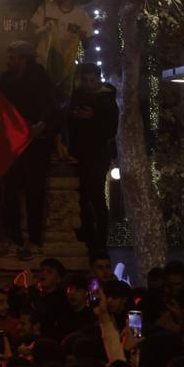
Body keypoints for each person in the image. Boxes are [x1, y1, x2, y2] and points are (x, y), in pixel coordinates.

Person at [0, 40, 57, 259]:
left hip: (36, 142)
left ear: (23, 59)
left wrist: (42, 123)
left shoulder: (40, 77)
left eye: (12, 57)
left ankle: (34, 240)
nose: (8, 61)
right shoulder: (5, 80)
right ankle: (14, 239)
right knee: (10, 191)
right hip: (14, 143)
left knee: (35, 192)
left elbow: (51, 104)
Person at [66, 63, 118, 257]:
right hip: (79, 154)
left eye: (92, 80)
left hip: (96, 155)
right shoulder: (76, 96)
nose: (89, 84)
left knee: (95, 195)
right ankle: (86, 236)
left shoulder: (106, 99)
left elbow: (111, 128)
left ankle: (99, 240)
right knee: (82, 197)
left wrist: (92, 117)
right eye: (86, 80)